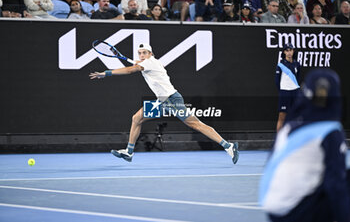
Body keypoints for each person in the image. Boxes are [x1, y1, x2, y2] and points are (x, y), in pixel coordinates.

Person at [89, 43, 239, 164]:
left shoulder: (150, 63)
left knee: (195, 124)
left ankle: (229, 146)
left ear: (151, 54)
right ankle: (129, 152)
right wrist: (137, 63)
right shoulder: (148, 63)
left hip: (172, 100)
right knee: (137, 118)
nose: (141, 55)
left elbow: (130, 70)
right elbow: (136, 65)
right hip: (161, 101)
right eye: (139, 53)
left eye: (144, 52)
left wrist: (106, 73)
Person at [259, 69, 350, 222]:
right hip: (295, 213)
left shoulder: (289, 126)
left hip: (272, 210)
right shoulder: (330, 131)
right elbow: (335, 184)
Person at [275, 43, 300, 132]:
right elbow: (277, 81)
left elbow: (298, 78)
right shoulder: (280, 65)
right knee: (282, 116)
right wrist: (282, 91)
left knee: (296, 117)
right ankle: (279, 142)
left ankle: (295, 141)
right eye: (287, 50)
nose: (289, 52)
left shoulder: (297, 64)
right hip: (285, 93)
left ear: (293, 51)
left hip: (295, 92)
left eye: (291, 50)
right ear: (284, 52)